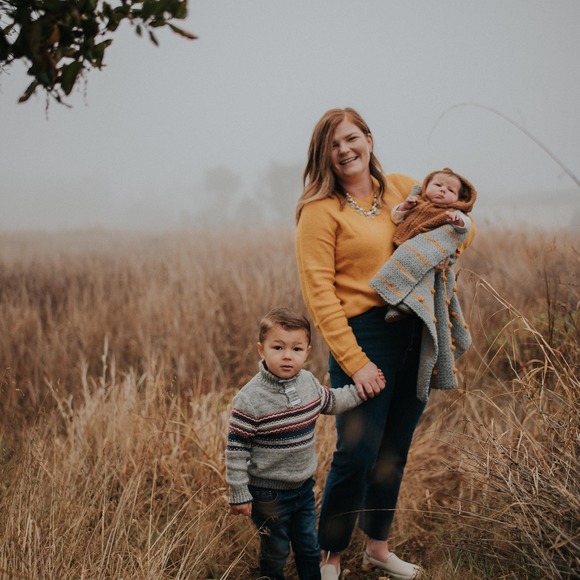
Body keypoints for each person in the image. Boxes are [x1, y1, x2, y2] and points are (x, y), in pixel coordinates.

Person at [295, 108, 474, 580]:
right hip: (363, 336)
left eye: (351, 138)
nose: (344, 150)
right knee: (357, 453)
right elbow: (319, 295)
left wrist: (445, 250)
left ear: (369, 140)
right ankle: (329, 555)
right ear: (323, 156)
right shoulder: (319, 211)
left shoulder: (400, 187)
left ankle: (377, 548)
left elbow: (461, 222)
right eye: (333, 145)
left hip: (416, 331)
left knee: (394, 449)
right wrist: (355, 362)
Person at [225, 307, 381, 580]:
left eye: (296, 349)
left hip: (303, 489)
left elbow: (332, 401)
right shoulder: (250, 399)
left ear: (307, 352)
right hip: (267, 494)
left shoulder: (308, 382)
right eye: (278, 347)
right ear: (261, 350)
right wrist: (239, 492)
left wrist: (361, 391)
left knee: (309, 548)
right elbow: (236, 450)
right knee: (276, 551)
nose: (287, 356)